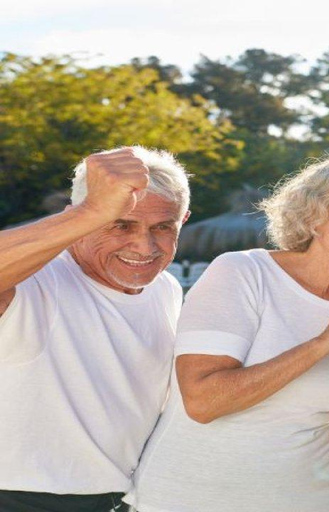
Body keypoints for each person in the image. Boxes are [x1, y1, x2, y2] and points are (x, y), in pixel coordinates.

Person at [123, 153, 329, 512]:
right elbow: (204, 402)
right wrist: (327, 340)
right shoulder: (244, 273)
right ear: (315, 214)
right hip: (190, 497)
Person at [0, 147, 191, 512]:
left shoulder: (165, 288)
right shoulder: (35, 279)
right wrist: (93, 211)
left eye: (164, 228)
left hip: (122, 499)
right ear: (80, 219)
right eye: (121, 224)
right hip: (21, 499)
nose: (144, 246)